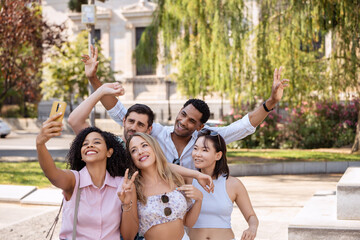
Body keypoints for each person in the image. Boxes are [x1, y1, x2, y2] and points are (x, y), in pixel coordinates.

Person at [81, 46, 289, 170]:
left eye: (191, 120)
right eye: (183, 114)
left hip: (193, 210)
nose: (183, 121)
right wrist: (93, 79)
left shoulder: (206, 139)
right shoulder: (156, 132)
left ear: (200, 126)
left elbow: (243, 126)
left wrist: (270, 102)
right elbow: (118, 111)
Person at [36, 113, 138, 240]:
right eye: (85, 144)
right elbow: (52, 173)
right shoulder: (74, 180)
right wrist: (40, 144)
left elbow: (129, 236)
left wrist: (127, 204)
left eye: (97, 142)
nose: (90, 145)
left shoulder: (123, 185)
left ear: (109, 152)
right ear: (81, 155)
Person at [126, 132, 203, 240]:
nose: (140, 151)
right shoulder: (133, 188)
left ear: (154, 147)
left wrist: (199, 200)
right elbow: (128, 236)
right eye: (134, 150)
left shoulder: (175, 179)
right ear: (131, 158)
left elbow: (188, 223)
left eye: (144, 145)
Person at [188, 129, 259, 240]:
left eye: (204, 150)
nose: (197, 154)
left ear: (218, 155)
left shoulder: (233, 184)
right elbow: (165, 167)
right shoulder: (187, 180)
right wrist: (195, 175)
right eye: (195, 148)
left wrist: (252, 228)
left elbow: (251, 216)